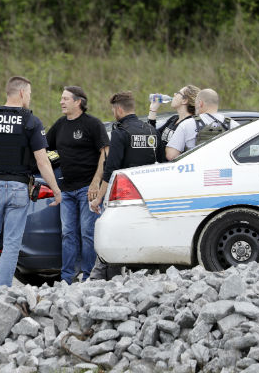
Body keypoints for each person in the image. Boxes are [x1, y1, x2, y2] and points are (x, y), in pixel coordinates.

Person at [0, 76, 62, 291]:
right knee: (11, 243)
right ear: (21, 93)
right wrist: (56, 190)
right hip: (19, 188)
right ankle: (1, 289)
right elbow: (42, 160)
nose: (29, 97)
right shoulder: (31, 121)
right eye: (29, 93)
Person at [90, 91, 160, 280]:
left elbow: (110, 168)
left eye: (114, 110)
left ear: (119, 109)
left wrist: (99, 198)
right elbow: (160, 161)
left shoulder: (121, 133)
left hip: (124, 195)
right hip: (150, 195)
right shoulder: (151, 130)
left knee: (114, 235)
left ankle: (104, 278)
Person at [46, 86, 109, 284]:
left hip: (87, 190)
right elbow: (44, 148)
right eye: (61, 98)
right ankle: (66, 278)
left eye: (65, 98)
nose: (61, 102)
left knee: (87, 233)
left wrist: (96, 183)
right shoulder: (60, 125)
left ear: (78, 102)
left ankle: (88, 277)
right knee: (68, 235)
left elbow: (105, 152)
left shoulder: (92, 124)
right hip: (66, 190)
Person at [165, 88, 239, 160]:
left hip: (196, 170)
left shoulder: (186, 124)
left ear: (200, 103)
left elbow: (171, 155)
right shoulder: (234, 125)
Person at [147, 85, 199, 154]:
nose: (174, 94)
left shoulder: (188, 124)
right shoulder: (174, 119)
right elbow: (152, 136)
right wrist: (153, 109)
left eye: (178, 93)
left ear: (184, 100)